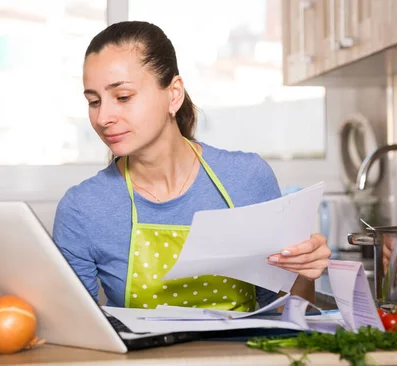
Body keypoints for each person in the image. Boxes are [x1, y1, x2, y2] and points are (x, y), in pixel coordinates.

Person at [53, 21, 330, 311]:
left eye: (123, 97)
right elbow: (77, 329)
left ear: (173, 94)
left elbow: (288, 312)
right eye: (94, 101)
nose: (103, 117)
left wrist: (302, 269)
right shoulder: (82, 209)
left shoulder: (247, 178)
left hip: (242, 357)